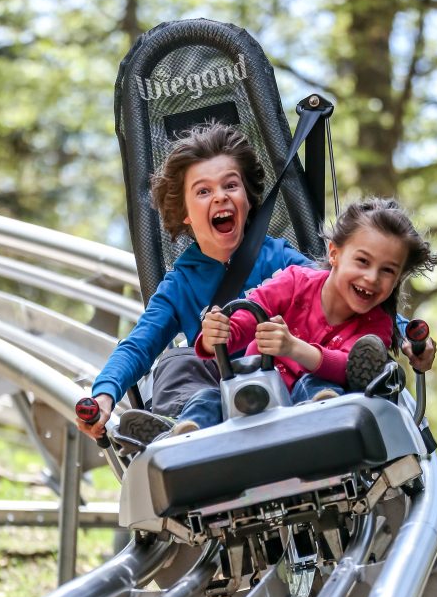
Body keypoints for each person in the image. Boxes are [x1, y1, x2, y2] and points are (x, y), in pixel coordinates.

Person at [77, 122, 312, 448]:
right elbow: (138, 345)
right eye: (203, 191)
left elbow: (339, 292)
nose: (220, 197)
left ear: (246, 197)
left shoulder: (281, 259)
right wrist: (103, 395)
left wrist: (401, 334)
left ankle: (318, 402)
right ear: (185, 212)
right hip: (213, 403)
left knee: (313, 339)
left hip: (286, 381)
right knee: (178, 360)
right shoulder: (180, 284)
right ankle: (176, 428)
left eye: (230, 185)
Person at [169, 197, 437, 434]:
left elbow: (350, 370)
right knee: (207, 398)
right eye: (362, 261)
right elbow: (240, 324)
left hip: (311, 412)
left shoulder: (377, 325)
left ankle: (319, 415)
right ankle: (181, 435)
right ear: (334, 253)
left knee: (319, 385)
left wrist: (292, 347)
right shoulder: (295, 281)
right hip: (254, 393)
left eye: (387, 271)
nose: (371, 278)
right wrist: (214, 335)